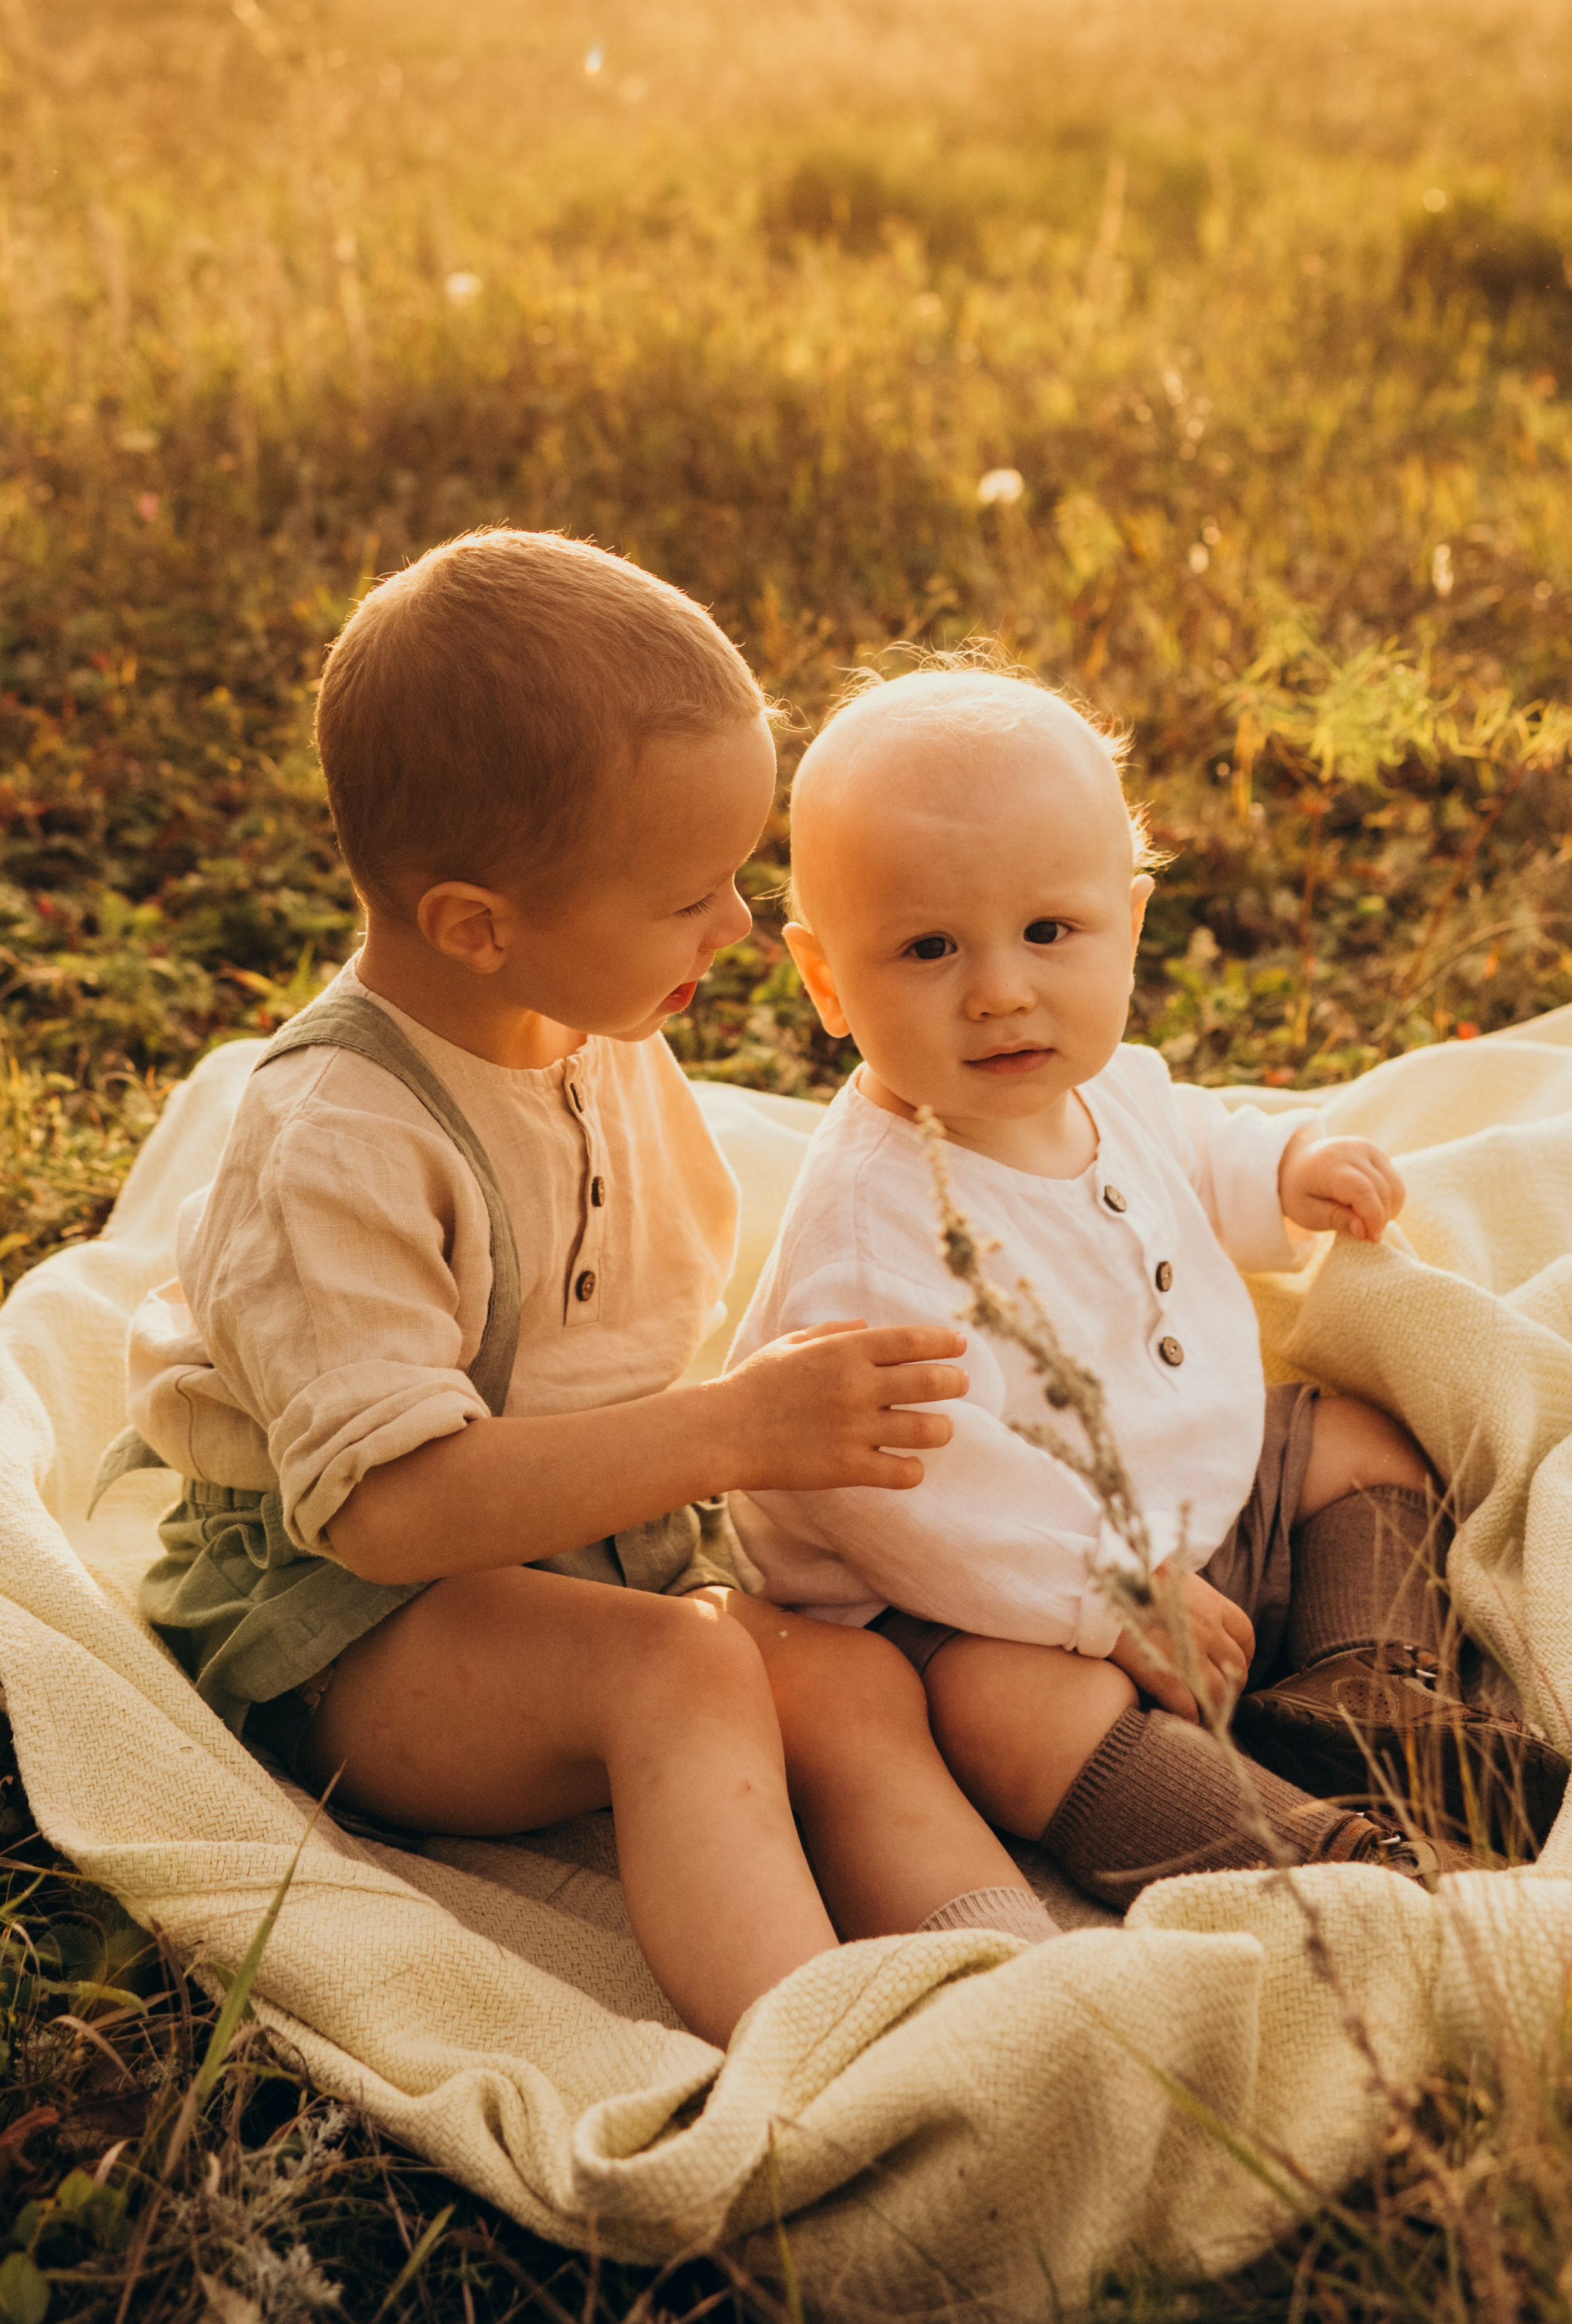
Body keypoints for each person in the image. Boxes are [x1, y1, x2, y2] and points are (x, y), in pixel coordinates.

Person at [112, 534, 1068, 2052]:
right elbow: (392, 1512)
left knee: (839, 1680)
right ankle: (818, 2052)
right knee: (682, 1675)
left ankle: (1014, 1986)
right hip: (348, 1629)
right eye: (690, 896)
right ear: (479, 925)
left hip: (579, 1559)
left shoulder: (582, 1018)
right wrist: (730, 1433)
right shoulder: (337, 1144)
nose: (740, 927)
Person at [727, 658, 1566, 1900]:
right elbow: (910, 1487)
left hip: (1184, 1504)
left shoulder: (1101, 1082)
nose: (1001, 988)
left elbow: (1184, 1144)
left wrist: (1279, 1170)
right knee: (1003, 1710)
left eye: (1047, 933)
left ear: (1125, 922)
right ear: (825, 982)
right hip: (972, 1589)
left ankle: (1366, 1688)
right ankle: (1328, 1859)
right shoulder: (872, 1231)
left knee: (1354, 1439)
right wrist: (1101, 1592)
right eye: (926, 948)